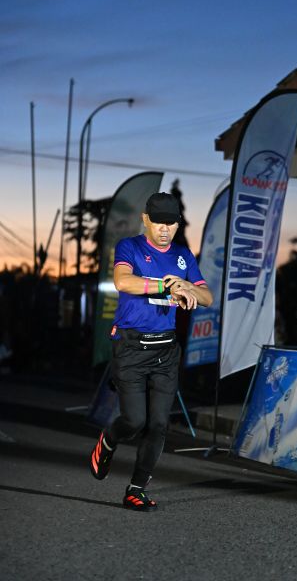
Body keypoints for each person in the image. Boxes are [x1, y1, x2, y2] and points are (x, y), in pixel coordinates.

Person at [90, 192, 213, 512]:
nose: (164, 229)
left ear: (178, 224)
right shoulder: (129, 246)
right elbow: (123, 282)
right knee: (134, 420)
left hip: (166, 350)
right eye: (158, 222)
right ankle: (109, 438)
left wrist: (188, 287)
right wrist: (166, 285)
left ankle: (136, 489)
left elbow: (207, 297)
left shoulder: (183, 255)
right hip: (131, 346)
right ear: (145, 220)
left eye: (171, 223)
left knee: (158, 424)